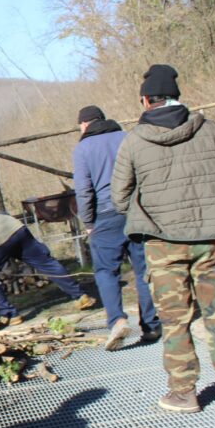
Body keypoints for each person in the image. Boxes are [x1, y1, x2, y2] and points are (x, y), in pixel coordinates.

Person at [111, 63, 215, 413]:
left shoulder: (133, 142)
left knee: (175, 319)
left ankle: (184, 392)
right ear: (177, 97)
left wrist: (147, 213)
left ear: (146, 100)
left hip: (162, 244)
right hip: (212, 238)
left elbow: (119, 197)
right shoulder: (209, 131)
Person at [72, 104, 161, 350]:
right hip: (136, 211)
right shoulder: (127, 137)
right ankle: (151, 326)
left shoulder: (82, 149)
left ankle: (117, 320)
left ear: (84, 124)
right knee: (143, 271)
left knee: (106, 272)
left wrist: (88, 222)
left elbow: (83, 190)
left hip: (104, 215)